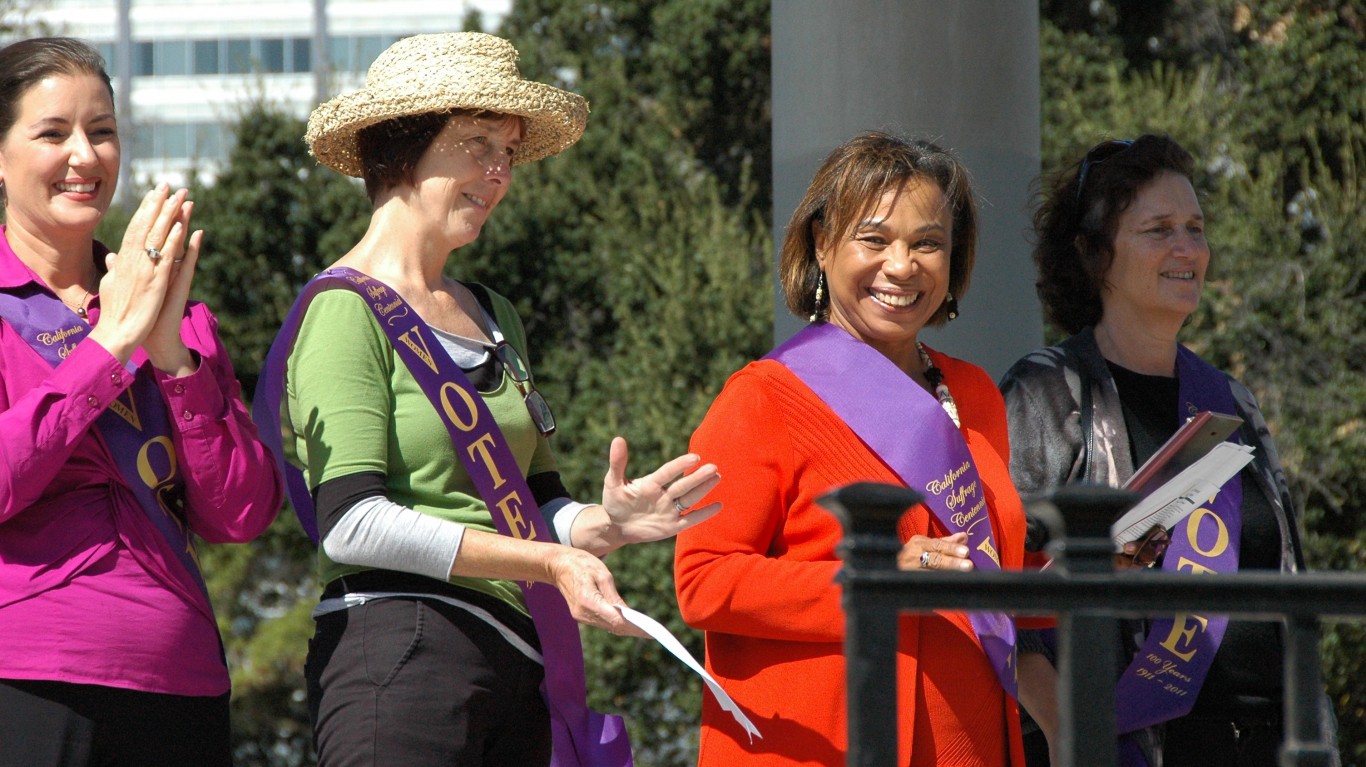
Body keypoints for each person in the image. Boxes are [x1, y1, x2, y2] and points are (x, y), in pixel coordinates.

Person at [253, 32, 722, 766]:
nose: (500, 171)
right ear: (400, 149)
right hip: (400, 655)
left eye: (508, 150)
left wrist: (609, 525)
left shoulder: (496, 313)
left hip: (515, 668)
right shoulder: (344, 308)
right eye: (475, 143)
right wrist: (547, 565)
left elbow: (537, 509)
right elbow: (351, 524)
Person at [674, 132, 1032, 766]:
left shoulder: (974, 392)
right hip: (823, 745)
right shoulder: (763, 398)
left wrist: (1093, 571)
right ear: (821, 243)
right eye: (875, 240)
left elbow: (980, 579)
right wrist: (878, 577)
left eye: (928, 243)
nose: (902, 265)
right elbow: (705, 582)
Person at [999, 134, 1337, 766]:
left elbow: (1289, 583)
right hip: (1135, 746)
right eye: (1158, 230)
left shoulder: (1232, 399)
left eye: (1195, 227)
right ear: (1094, 255)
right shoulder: (1047, 389)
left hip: (1273, 742)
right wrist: (1069, 733)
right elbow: (1001, 596)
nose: (1188, 249)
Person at [0, 37, 283, 767]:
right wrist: (110, 344)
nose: (85, 156)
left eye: (102, 132)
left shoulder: (176, 310)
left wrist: (173, 358)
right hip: (30, 675)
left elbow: (242, 511)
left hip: (181, 680)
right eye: (53, 133)